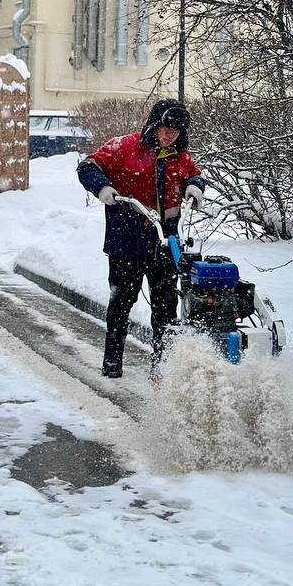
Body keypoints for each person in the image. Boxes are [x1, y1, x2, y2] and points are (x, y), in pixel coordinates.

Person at [77, 99, 205, 378]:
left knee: (165, 304)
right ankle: (112, 361)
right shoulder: (125, 147)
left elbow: (192, 174)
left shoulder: (179, 157)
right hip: (127, 240)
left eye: (176, 131)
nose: (170, 135)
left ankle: (162, 365)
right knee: (122, 301)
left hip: (164, 242)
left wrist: (194, 187)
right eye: (166, 128)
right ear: (154, 125)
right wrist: (103, 188)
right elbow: (87, 167)